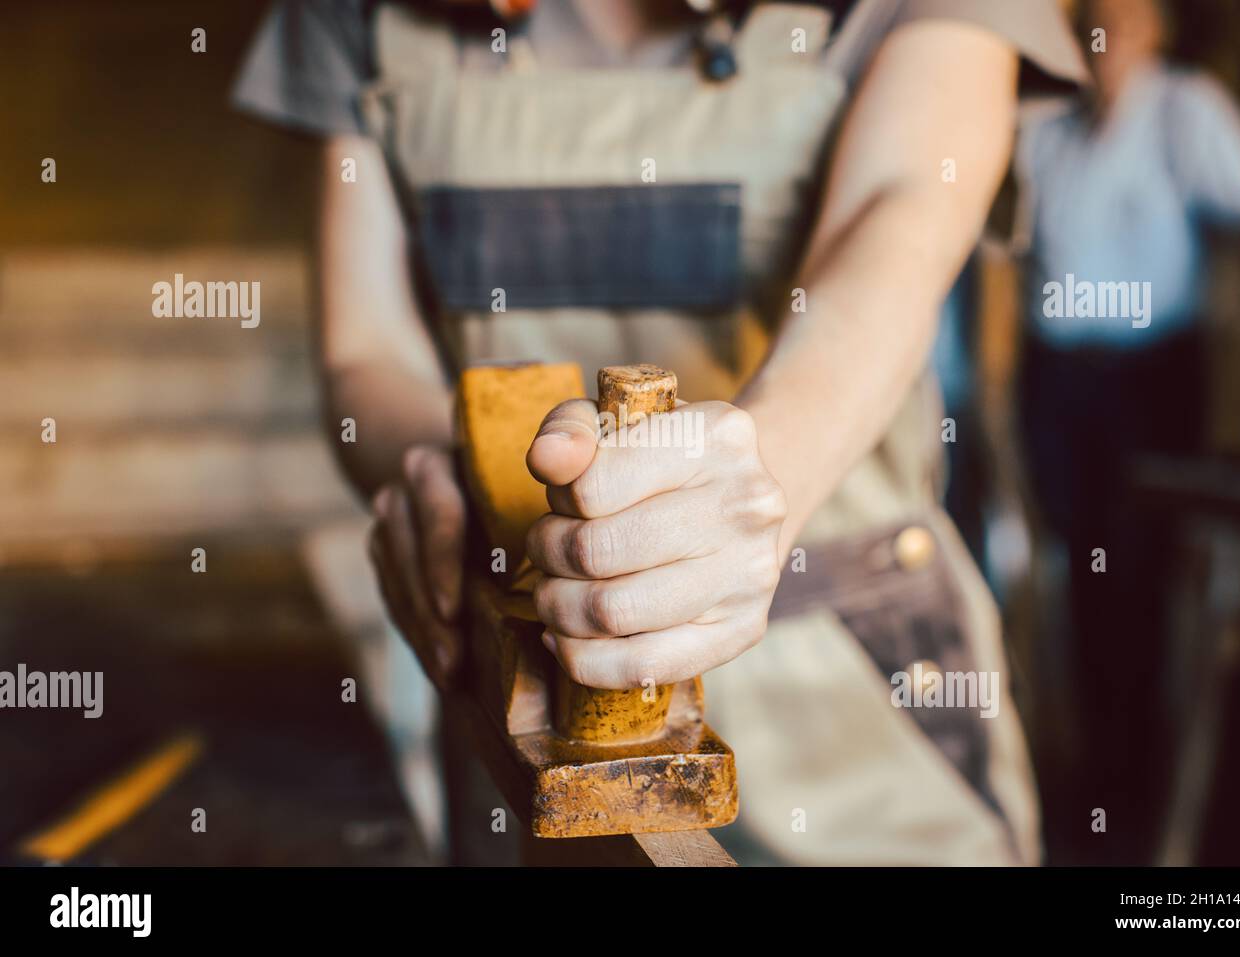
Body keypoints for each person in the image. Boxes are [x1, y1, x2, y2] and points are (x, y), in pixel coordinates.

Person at [234, 0, 1085, 865]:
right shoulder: (355, 18)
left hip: (850, 681)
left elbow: (898, 210)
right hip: (523, 691)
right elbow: (366, 349)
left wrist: (757, 481)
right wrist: (430, 476)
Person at [1014, 0, 1240, 861]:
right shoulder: (1049, 126)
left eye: (1122, 19)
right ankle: (1093, 770)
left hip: (1146, 376)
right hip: (1060, 379)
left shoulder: (1185, 107)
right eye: (1090, 18)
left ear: (1157, 28)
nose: (1103, 33)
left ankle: (1138, 780)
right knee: (1077, 570)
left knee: (1137, 574)